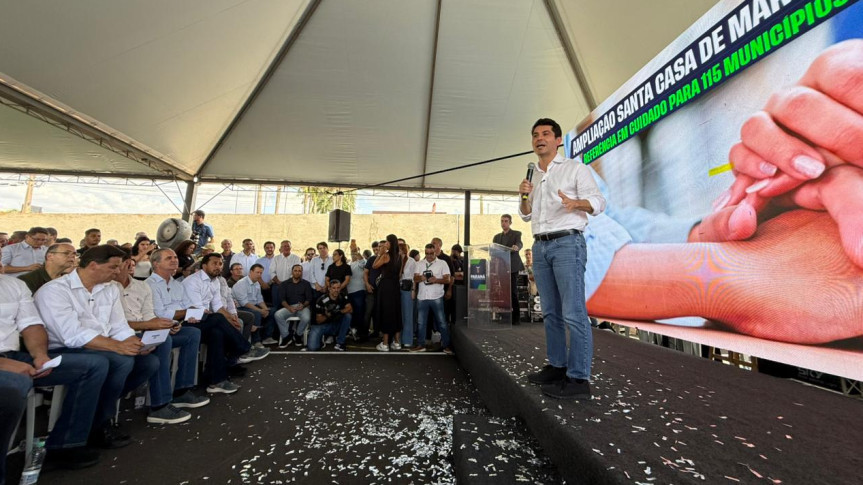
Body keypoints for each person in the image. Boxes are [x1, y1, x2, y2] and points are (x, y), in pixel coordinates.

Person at [35, 245, 160, 448]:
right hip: (62, 349)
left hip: (99, 346)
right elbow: (71, 335)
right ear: (93, 265)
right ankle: (97, 425)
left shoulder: (109, 288)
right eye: (113, 267)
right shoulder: (55, 291)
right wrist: (118, 346)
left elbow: (118, 324)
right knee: (119, 361)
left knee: (148, 362)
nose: (118, 272)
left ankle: (94, 413)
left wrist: (133, 342)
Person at [519, 118, 606, 400]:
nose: (539, 138)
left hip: (567, 243)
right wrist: (523, 197)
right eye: (535, 135)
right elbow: (525, 214)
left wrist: (575, 203)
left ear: (558, 140)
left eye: (545, 134)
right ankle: (557, 366)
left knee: (573, 313)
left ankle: (579, 380)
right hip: (541, 246)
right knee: (551, 313)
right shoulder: (533, 176)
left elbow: (599, 202)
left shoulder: (574, 169)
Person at [0, 274, 107, 470]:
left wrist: (40, 355)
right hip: (5, 365)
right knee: (15, 384)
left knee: (94, 365)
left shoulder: (14, 285)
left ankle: (66, 444)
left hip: (15, 356)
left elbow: (31, 325)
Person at [113, 255, 209, 424]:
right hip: (124, 334)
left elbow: (150, 314)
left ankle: (182, 390)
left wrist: (171, 324)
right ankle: (159, 404)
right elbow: (113, 323)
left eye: (131, 263)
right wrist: (156, 325)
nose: (129, 266)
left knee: (192, 333)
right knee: (164, 341)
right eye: (124, 263)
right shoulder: (110, 288)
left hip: (148, 329)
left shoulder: (141, 286)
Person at [182, 253, 257, 393]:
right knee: (217, 319)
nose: (218, 266)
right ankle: (243, 347)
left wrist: (231, 319)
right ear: (204, 266)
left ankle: (216, 381)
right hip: (189, 320)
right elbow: (199, 310)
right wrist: (225, 319)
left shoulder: (215, 281)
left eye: (220, 263)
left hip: (205, 321)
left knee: (217, 333)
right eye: (214, 263)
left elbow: (217, 306)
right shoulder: (192, 281)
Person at [410, 243, 453, 354]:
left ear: (435, 252)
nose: (429, 256)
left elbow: (448, 279)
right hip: (422, 297)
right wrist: (421, 277)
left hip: (436, 296)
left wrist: (436, 280)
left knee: (442, 322)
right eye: (427, 253)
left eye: (431, 253)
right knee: (421, 322)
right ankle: (421, 345)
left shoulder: (442, 263)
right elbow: (415, 278)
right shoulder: (420, 263)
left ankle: (446, 345)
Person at [232, 263, 277, 346]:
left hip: (253, 306)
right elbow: (244, 303)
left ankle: (267, 337)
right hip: (241, 308)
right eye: (257, 272)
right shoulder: (241, 284)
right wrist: (260, 310)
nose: (259, 275)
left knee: (272, 311)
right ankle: (256, 341)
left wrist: (265, 309)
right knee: (256, 313)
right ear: (251, 272)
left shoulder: (256, 283)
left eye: (261, 273)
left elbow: (259, 299)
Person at [493, 214, 525, 324]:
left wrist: (517, 247)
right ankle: (505, 317)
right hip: (502, 267)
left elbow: (519, 243)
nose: (503, 223)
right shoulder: (497, 237)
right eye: (502, 221)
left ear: (510, 223)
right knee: (504, 293)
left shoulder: (516, 234)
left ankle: (516, 318)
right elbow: (493, 251)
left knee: (513, 292)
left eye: (506, 221)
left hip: (513, 266)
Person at [372, 235, 402, 351]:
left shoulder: (386, 256)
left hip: (386, 287)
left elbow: (375, 266)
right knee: (396, 312)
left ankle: (385, 343)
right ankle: (396, 342)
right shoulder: (399, 256)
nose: (385, 244)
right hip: (395, 286)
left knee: (386, 313)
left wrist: (379, 254)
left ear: (390, 243)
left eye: (387, 242)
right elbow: (399, 274)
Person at [274, 264, 314, 348]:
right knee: (277, 314)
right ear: (292, 272)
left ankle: (298, 335)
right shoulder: (284, 284)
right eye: (295, 270)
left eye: (299, 271)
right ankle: (286, 336)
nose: (297, 273)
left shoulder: (306, 284)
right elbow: (282, 299)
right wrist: (289, 307)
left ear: (302, 272)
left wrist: (303, 305)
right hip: (289, 307)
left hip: (302, 307)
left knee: (306, 317)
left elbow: (309, 299)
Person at [307, 280, 352, 351]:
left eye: (338, 288)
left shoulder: (342, 296)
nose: (336, 290)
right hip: (322, 326)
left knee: (347, 316)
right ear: (329, 289)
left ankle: (340, 343)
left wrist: (338, 312)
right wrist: (328, 315)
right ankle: (321, 340)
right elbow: (318, 320)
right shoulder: (321, 300)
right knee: (313, 348)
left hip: (335, 324)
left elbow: (350, 309)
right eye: (334, 288)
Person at [399, 241, 417, 348]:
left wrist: (414, 290)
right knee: (399, 314)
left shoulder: (411, 261)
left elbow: (414, 277)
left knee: (408, 315)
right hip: (397, 288)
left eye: (400, 250)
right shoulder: (396, 261)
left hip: (407, 288)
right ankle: (398, 338)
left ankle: (407, 339)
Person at [346, 250, 367, 340]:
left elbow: (363, 262)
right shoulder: (349, 263)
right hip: (349, 292)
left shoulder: (362, 262)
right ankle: (353, 331)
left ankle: (360, 334)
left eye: (355, 252)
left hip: (359, 291)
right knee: (352, 313)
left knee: (359, 313)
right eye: (352, 252)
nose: (353, 254)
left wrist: (357, 252)